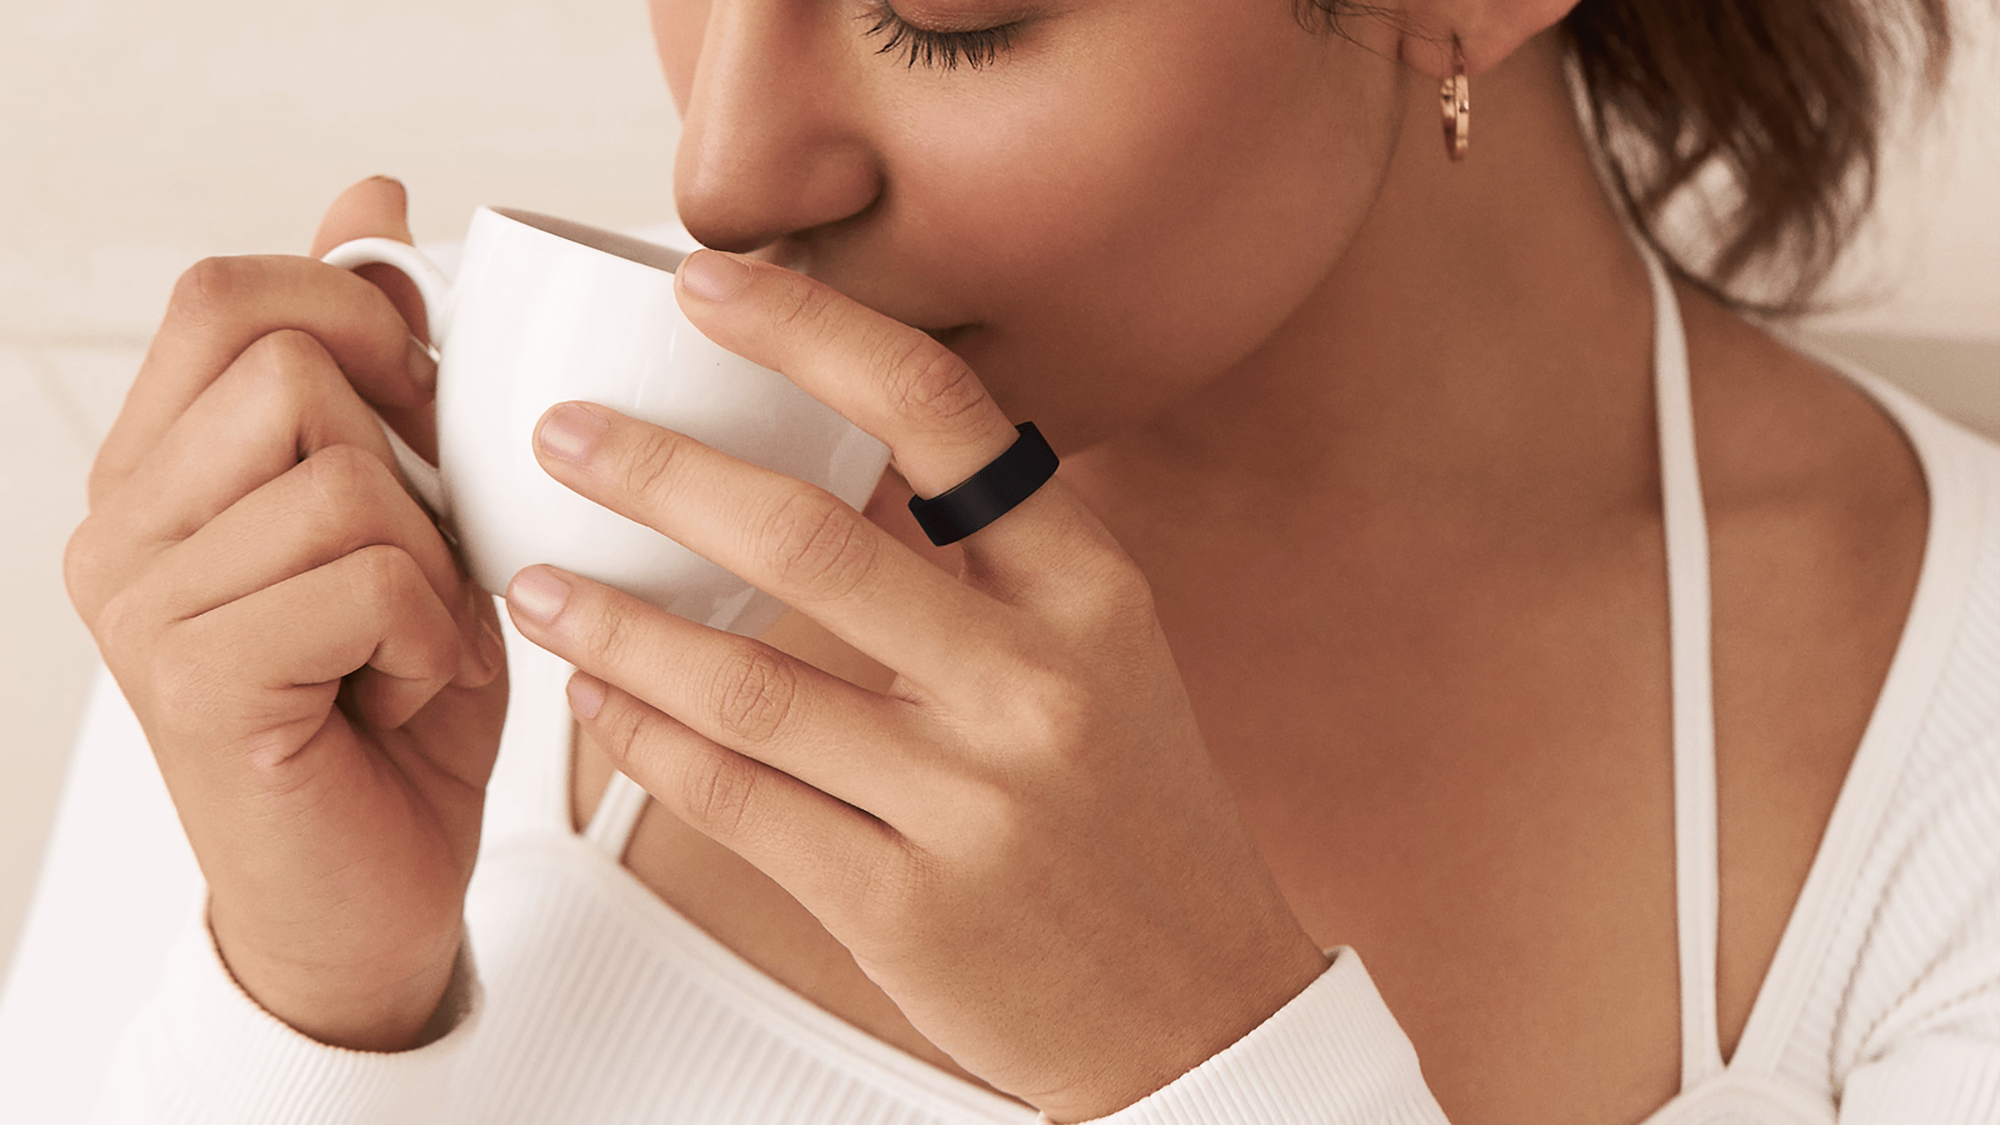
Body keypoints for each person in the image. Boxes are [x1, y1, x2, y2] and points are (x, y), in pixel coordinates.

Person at [58, 0, 1999, 1121]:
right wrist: (304, 1006)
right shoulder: (375, 494)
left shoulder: (1947, 772)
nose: (723, 172)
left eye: (948, 6)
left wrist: (1213, 1057)